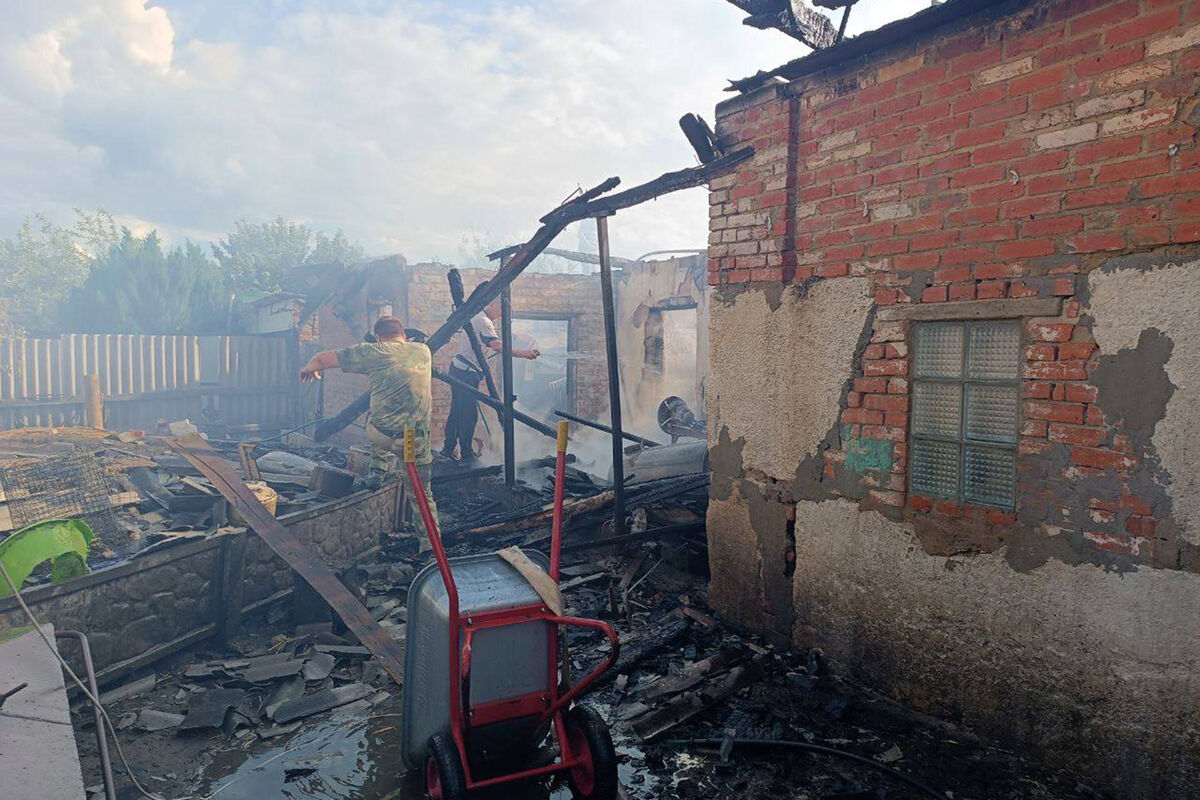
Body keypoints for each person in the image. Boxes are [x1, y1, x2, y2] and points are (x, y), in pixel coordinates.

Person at [300, 315, 438, 544]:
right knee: (423, 496)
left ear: (378, 337)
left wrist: (309, 368)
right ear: (404, 335)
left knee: (374, 414)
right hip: (413, 442)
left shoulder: (372, 352)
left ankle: (378, 469)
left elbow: (322, 359)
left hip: (382, 435)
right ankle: (429, 545)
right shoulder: (423, 351)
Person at [441, 298, 539, 461]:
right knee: (468, 414)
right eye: (500, 308)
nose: (502, 313)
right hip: (465, 372)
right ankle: (466, 453)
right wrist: (525, 354)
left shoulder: (479, 318)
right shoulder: (483, 321)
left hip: (460, 369)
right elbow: (496, 345)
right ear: (490, 304)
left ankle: (448, 448)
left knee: (457, 411)